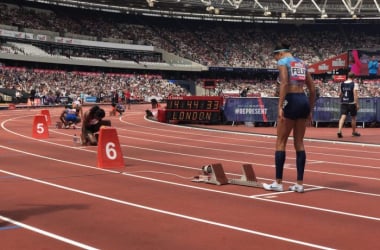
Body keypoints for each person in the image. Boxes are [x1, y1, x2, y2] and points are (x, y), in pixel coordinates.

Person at [263, 41, 316, 193]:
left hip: (291, 100)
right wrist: (310, 110)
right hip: (303, 100)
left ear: (279, 53)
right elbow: (312, 89)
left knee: (280, 142)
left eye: (275, 58)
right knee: (299, 143)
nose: (276, 61)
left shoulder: (283, 61)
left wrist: (280, 106)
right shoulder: (301, 63)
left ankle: (278, 182)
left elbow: (285, 83)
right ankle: (299, 184)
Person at [337, 72, 360, 138]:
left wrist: (341, 97)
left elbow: (340, 94)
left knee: (342, 117)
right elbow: (355, 94)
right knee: (353, 117)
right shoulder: (354, 84)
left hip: (344, 102)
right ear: (353, 77)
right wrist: (357, 104)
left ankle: (339, 131)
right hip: (351, 102)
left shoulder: (342, 83)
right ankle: (353, 132)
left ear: (347, 76)